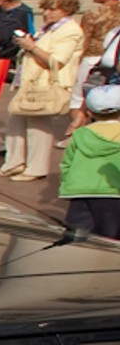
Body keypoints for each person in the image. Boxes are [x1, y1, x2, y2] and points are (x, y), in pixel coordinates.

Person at [0, 0, 84, 182]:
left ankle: (36, 168)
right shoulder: (49, 28)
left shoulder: (70, 30)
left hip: (45, 84)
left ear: (66, 10)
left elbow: (56, 61)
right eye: (45, 8)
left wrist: (31, 46)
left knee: (38, 128)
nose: (46, 13)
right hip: (30, 83)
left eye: (52, 9)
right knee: (15, 123)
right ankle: (13, 163)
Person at [59, 83, 120, 237]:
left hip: (81, 191)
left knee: (78, 236)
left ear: (90, 113)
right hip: (114, 192)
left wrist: (67, 183)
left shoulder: (79, 135)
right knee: (112, 237)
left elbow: (67, 164)